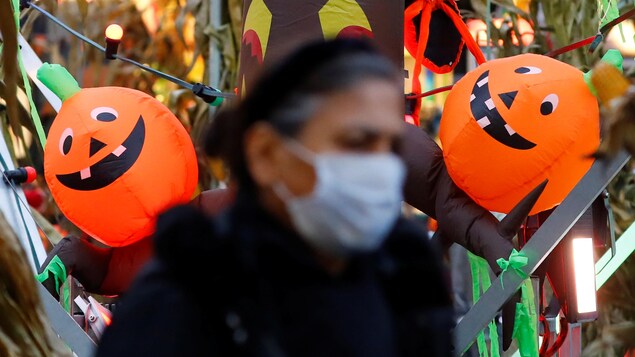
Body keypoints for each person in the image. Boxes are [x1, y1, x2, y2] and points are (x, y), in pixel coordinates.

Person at [95, 37, 455, 356]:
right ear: (266, 153)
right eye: (356, 143)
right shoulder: (179, 302)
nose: (380, 167)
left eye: (390, 146)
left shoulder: (404, 280)